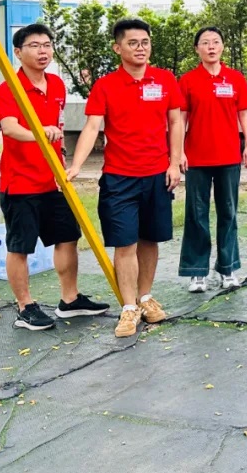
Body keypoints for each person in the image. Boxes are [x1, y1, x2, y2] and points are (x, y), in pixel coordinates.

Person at [67, 18, 184, 338]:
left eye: (145, 42)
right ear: (118, 48)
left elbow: (176, 122)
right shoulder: (105, 85)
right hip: (119, 178)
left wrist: (174, 163)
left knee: (150, 239)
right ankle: (129, 307)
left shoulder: (164, 80)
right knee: (125, 243)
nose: (141, 48)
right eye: (133, 43)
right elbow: (92, 126)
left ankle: (145, 298)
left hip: (157, 175)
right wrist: (76, 165)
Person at [0, 24, 110, 331]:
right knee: (20, 246)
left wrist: (62, 159)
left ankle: (69, 300)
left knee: (67, 236)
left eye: (47, 45)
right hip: (20, 182)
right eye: (34, 46)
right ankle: (25, 307)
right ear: (18, 52)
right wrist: (39, 133)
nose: (43, 51)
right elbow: (9, 127)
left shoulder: (56, 84)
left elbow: (57, 128)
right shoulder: (9, 88)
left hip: (54, 180)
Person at [177, 27, 247, 292]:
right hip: (197, 158)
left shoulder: (235, 78)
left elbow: (244, 114)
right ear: (197, 49)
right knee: (196, 214)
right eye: (205, 43)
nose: (211, 47)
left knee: (228, 213)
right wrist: (179, 151)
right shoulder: (188, 80)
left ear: (222, 46)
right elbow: (181, 119)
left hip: (229, 156)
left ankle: (228, 268)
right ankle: (196, 272)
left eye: (216, 42)